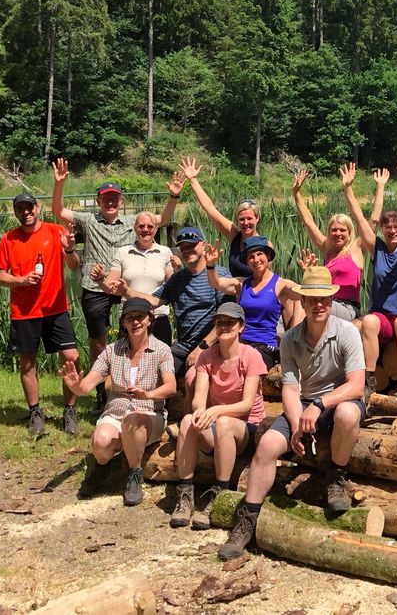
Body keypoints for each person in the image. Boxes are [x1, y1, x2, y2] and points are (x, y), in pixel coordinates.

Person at [218, 265, 365, 561]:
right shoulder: (290, 339)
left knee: (348, 414)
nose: (319, 304)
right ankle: (248, 518)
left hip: (336, 402)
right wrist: (298, 423)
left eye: (324, 299)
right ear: (304, 302)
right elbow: (289, 387)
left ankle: (336, 477)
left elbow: (357, 386)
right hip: (304, 405)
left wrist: (320, 404)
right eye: (312, 299)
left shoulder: (347, 332)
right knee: (268, 445)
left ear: (332, 301)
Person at [51, 158, 182, 412]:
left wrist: (173, 196)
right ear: (98, 201)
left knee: (138, 333)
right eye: (105, 198)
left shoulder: (134, 221)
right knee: (97, 341)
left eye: (114, 198)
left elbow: (163, 218)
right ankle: (101, 391)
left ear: (121, 201)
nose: (110, 202)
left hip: (126, 287)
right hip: (95, 285)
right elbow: (59, 211)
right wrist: (59, 184)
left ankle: (141, 389)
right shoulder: (88, 221)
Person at [61, 297, 176, 506]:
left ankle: (134, 475)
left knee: (132, 420)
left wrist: (148, 395)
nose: (135, 322)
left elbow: (171, 386)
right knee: (101, 441)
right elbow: (86, 386)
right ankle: (103, 465)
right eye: (129, 318)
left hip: (149, 413)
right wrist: (75, 386)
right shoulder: (111, 350)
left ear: (150, 319)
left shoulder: (162, 350)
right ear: (123, 322)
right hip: (116, 412)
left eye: (140, 317)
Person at [171, 301, 268, 530]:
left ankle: (220, 494)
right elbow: (199, 397)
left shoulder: (251, 356)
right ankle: (185, 494)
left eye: (230, 323)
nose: (224, 327)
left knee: (224, 422)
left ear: (241, 327)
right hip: (216, 425)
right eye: (220, 322)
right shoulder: (207, 357)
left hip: (246, 427)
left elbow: (246, 405)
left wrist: (215, 411)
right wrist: (200, 410)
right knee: (187, 420)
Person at [0, 192, 82, 436]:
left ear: (37, 207)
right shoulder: (9, 239)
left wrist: (71, 249)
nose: (26, 212)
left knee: (71, 357)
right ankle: (35, 412)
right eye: (20, 208)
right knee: (28, 362)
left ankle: (70, 411)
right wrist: (21, 280)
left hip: (56, 308)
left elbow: (74, 266)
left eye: (29, 207)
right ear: (15, 212)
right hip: (24, 312)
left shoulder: (55, 232)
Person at [341, 162, 397, 399]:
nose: (392, 230)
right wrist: (348, 189)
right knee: (368, 321)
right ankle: (368, 380)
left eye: (396, 226)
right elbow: (359, 219)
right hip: (383, 317)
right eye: (388, 227)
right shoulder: (376, 250)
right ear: (383, 232)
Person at [127, 226, 228, 383]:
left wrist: (202, 347)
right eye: (183, 248)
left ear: (203, 245)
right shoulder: (178, 278)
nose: (187, 251)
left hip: (212, 346)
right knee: (152, 372)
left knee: (191, 380)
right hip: (183, 346)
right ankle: (152, 407)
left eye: (191, 246)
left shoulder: (218, 275)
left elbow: (225, 321)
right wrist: (126, 290)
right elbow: (153, 301)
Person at [204, 235, 302, 369]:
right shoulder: (242, 284)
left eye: (259, 254)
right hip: (241, 343)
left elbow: (305, 294)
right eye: (251, 256)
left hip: (265, 347)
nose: (256, 260)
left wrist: (309, 273)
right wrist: (210, 265)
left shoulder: (281, 285)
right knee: (210, 363)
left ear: (268, 256)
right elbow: (216, 283)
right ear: (247, 262)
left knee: (245, 364)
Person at [292, 168, 365, 324]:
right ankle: (295, 343)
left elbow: (367, 221)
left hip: (348, 307)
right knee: (304, 298)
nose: (337, 233)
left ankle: (296, 341)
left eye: (342, 230)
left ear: (349, 232)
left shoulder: (356, 248)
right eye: (334, 230)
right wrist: (296, 193)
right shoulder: (328, 248)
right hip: (327, 301)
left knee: (306, 300)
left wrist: (348, 188)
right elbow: (308, 221)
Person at [95, 211, 175, 346]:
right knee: (128, 361)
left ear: (156, 228)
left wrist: (177, 268)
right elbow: (111, 287)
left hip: (158, 317)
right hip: (131, 318)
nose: (145, 230)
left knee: (161, 361)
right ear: (135, 227)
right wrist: (100, 279)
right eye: (141, 226)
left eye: (150, 226)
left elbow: (172, 284)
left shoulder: (165, 252)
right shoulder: (122, 252)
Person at [179, 155, 261, 279]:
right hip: (235, 293)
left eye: (249, 218)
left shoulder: (265, 245)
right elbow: (210, 208)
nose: (245, 222)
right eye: (242, 219)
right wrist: (193, 180)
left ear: (257, 218)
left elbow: (265, 279)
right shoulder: (234, 235)